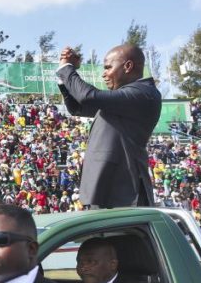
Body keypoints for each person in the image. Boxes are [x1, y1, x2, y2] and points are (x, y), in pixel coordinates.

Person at [57, 44, 161, 209]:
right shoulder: (124, 100)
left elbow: (87, 97)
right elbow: (78, 107)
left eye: (108, 68)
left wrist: (66, 68)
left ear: (128, 66)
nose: (104, 74)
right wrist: (63, 77)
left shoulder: (143, 93)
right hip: (109, 189)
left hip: (124, 194)